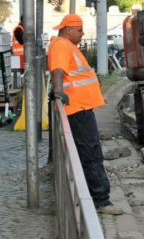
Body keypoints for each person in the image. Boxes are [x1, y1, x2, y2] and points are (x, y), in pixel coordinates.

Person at [47, 13, 123, 215]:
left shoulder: (65, 45)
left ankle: (95, 198)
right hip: (76, 108)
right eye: (79, 30)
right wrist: (59, 92)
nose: (82, 34)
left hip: (79, 107)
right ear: (68, 30)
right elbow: (57, 71)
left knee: (88, 151)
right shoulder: (62, 45)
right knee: (90, 153)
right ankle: (101, 201)